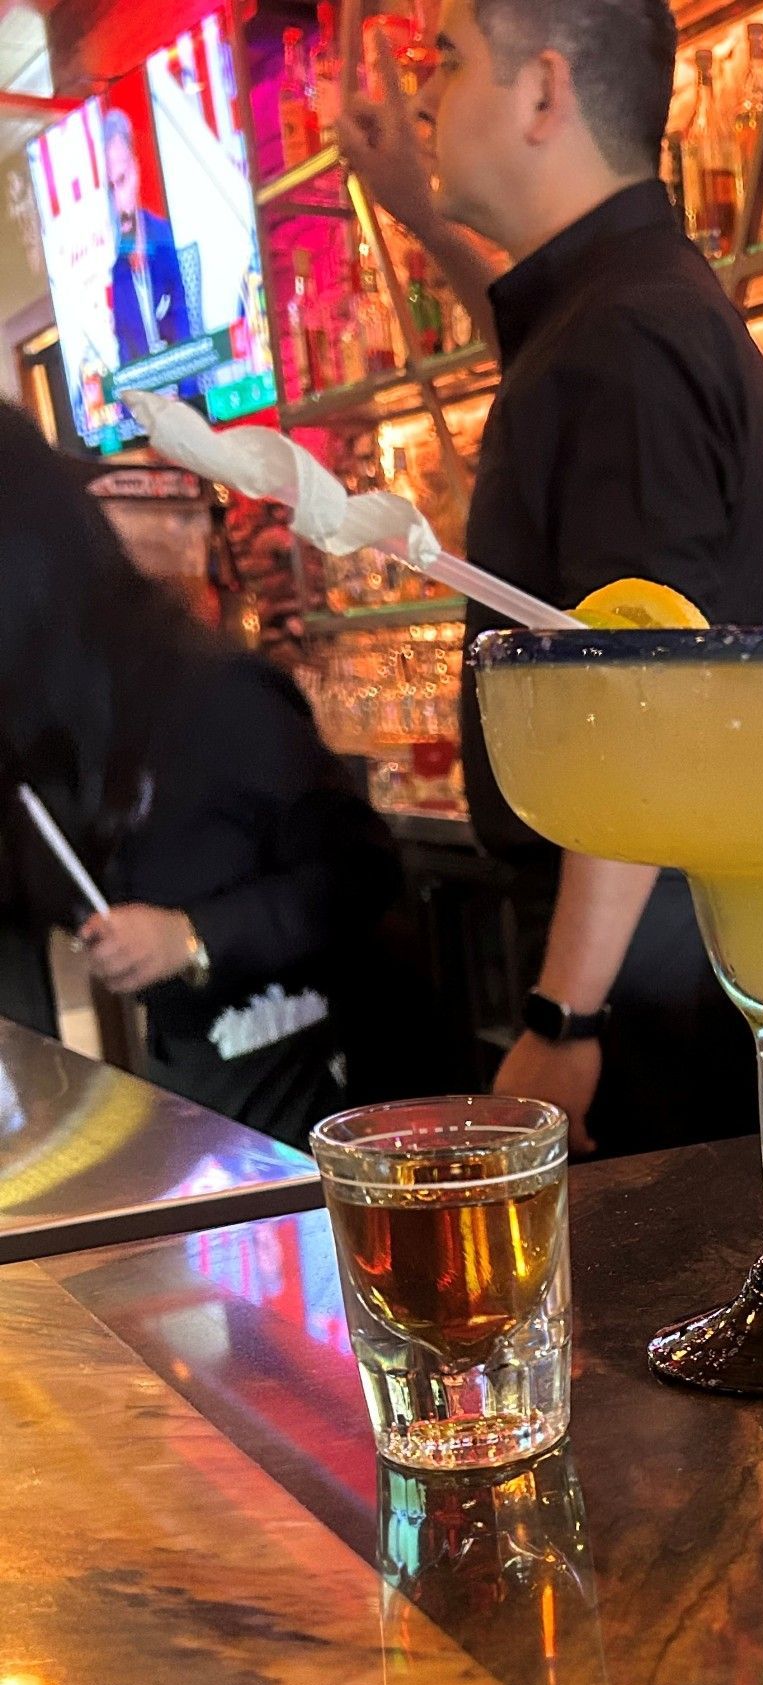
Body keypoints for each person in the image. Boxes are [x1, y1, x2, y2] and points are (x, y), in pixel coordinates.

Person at [340, 0, 763, 1157]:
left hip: (642, 974)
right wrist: (418, 215)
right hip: (654, 944)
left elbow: (646, 688)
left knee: (648, 1311)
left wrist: (564, 1014)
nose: (430, 97)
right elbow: (539, 337)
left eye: (446, 63)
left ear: (544, 93)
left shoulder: (625, 339)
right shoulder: (610, 315)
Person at [0, 403, 401, 1148]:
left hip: (309, 1094)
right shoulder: (50, 716)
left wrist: (192, 936)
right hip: (195, 1101)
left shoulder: (212, 693)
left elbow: (363, 871)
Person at [104, 108, 190, 367]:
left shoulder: (169, 242)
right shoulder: (109, 272)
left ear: (137, 170)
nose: (119, 202)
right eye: (110, 188)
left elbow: (190, 331)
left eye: (122, 180)